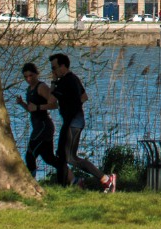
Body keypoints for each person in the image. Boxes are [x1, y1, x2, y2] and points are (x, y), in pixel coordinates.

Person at [49, 53, 116, 192]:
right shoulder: (74, 78)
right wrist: (73, 105)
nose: (53, 71)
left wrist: (54, 82)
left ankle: (106, 179)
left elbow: (51, 99)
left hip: (73, 122)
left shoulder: (65, 81)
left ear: (62, 66)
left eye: (54, 68)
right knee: (61, 154)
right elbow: (84, 97)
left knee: (70, 157)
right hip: (73, 121)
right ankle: (63, 186)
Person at [14, 63, 62, 179]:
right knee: (48, 158)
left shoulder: (41, 87)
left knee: (30, 155)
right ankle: (72, 179)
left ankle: (32, 181)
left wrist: (38, 107)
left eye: (31, 76)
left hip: (44, 126)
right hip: (38, 126)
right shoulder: (29, 89)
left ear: (36, 74)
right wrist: (22, 104)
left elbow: (54, 104)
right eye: (25, 77)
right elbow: (32, 110)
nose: (28, 79)